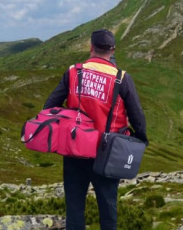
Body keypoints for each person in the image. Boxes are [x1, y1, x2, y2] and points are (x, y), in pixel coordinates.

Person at [44, 29, 148, 230]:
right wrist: (140, 139)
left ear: (91, 47)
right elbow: (137, 117)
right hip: (107, 151)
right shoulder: (121, 78)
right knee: (108, 208)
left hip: (75, 149)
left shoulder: (74, 71)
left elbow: (49, 107)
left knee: (74, 207)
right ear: (112, 50)